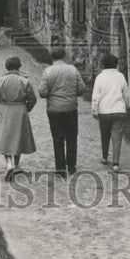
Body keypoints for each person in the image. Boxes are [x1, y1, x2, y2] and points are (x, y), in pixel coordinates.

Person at [0, 55, 36, 181]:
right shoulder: (25, 81)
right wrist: (26, 109)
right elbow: (32, 99)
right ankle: (17, 165)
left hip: (4, 109)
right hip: (20, 110)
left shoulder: (0, 81)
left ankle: (8, 164)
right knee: (18, 137)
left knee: (5, 137)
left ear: (7, 67)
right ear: (19, 67)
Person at [38, 44, 86, 177]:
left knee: (57, 138)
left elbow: (42, 92)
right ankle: (71, 165)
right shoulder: (73, 70)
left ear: (51, 57)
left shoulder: (48, 71)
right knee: (71, 137)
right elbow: (82, 88)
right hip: (70, 108)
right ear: (64, 56)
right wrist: (71, 94)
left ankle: (60, 168)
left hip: (54, 109)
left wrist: (51, 94)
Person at [91, 52, 130, 169]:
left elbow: (95, 96)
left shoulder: (100, 77)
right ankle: (116, 163)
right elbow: (126, 94)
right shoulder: (121, 76)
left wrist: (94, 111)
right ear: (116, 64)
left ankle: (104, 156)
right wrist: (126, 106)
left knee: (105, 134)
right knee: (117, 136)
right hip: (119, 110)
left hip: (104, 111)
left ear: (103, 65)